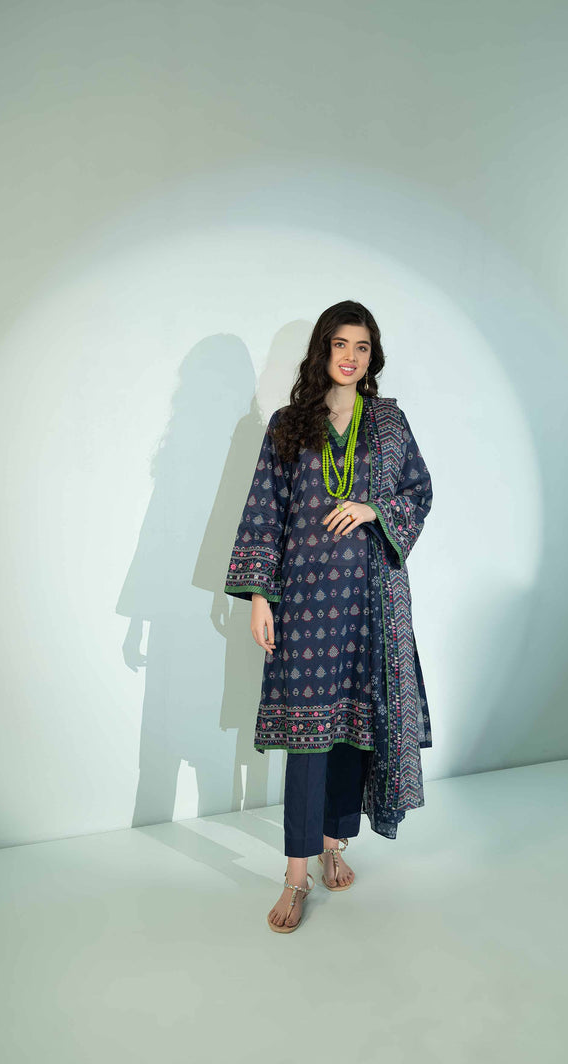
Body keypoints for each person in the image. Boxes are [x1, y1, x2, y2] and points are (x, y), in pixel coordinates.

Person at [224, 300, 433, 933]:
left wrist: (374, 511)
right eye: (340, 344)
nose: (350, 356)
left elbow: (419, 491)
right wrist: (261, 596)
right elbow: (265, 509)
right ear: (323, 350)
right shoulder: (290, 424)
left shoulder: (389, 424)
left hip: (372, 601)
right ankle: (296, 873)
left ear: (372, 356)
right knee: (309, 738)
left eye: (361, 347)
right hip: (307, 601)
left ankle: (332, 843)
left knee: (352, 732)